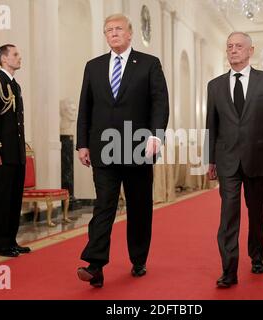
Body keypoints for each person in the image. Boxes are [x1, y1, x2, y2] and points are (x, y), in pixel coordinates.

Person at [75, 14, 169, 288]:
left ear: (130, 34)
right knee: (104, 205)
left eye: (118, 29)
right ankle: (95, 265)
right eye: (108, 30)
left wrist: (156, 136)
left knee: (139, 206)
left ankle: (138, 258)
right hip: (103, 148)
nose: (113, 33)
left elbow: (159, 103)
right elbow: (85, 107)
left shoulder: (149, 64)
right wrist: (82, 143)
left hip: (138, 145)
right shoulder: (93, 67)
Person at [206, 32, 263, 288]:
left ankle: (257, 255)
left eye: (239, 46)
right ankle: (228, 270)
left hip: (258, 157)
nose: (233, 50)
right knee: (228, 215)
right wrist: (210, 160)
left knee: (256, 212)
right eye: (229, 46)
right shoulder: (215, 85)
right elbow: (211, 125)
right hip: (227, 160)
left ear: (251, 50)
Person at [0, 44, 31, 257]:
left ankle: (11, 240)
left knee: (14, 199)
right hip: (2, 153)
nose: (20, 58)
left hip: (16, 153)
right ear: (4, 59)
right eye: (15, 54)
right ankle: (0, 244)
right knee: (2, 198)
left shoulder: (15, 85)